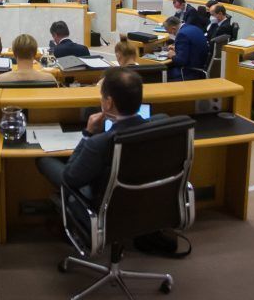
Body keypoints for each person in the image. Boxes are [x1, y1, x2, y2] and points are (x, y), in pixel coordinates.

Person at [35, 68, 149, 199]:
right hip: (145, 200)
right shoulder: (161, 124)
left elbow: (70, 178)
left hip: (102, 203)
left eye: (102, 97)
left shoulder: (98, 143)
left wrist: (87, 134)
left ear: (109, 103)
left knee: (43, 160)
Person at [163, 16, 208, 81]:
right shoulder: (194, 28)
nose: (171, 34)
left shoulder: (182, 34)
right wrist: (177, 48)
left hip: (188, 71)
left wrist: (172, 55)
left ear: (173, 28)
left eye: (169, 32)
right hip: (200, 67)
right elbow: (192, 47)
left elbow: (181, 61)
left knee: (159, 73)